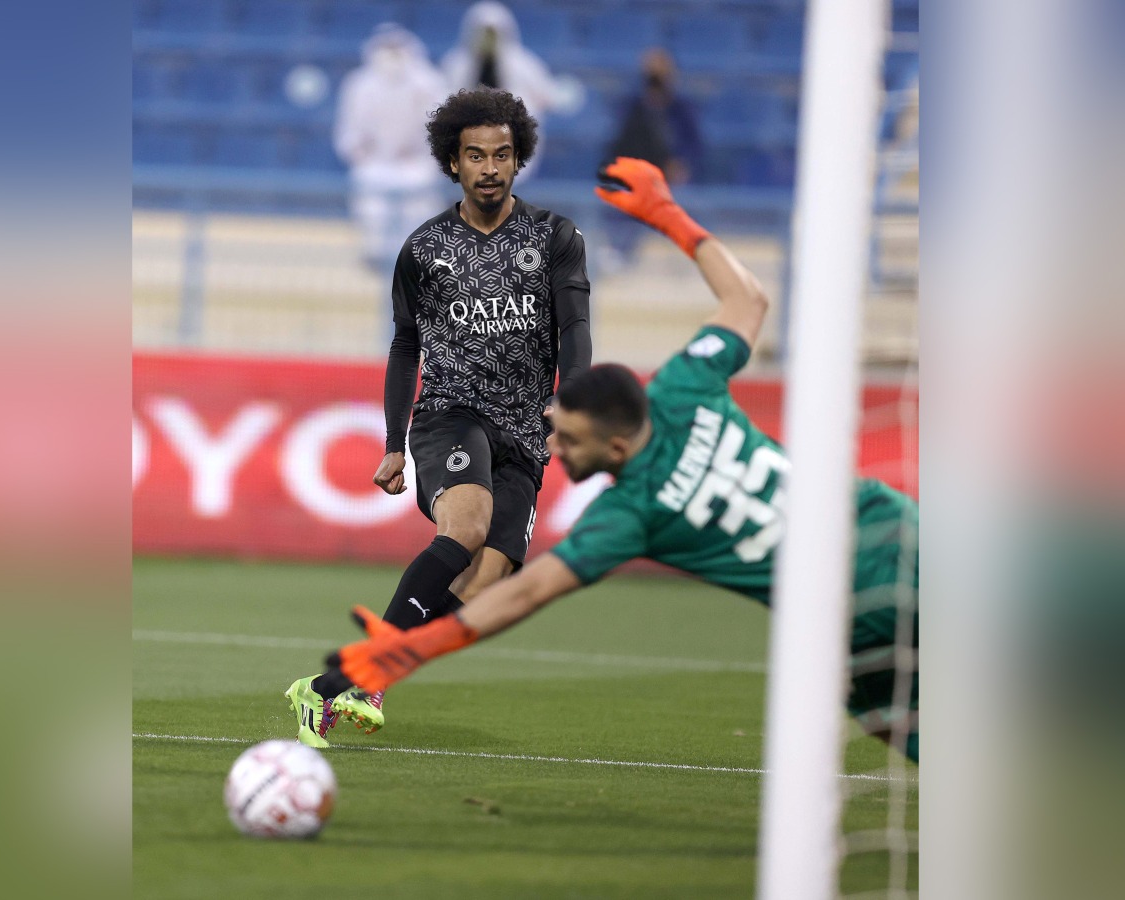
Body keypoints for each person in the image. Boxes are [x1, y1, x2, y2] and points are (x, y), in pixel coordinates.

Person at [325, 157, 920, 762]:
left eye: (569, 441)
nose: (553, 447)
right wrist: (668, 216)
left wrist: (412, 648)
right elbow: (748, 299)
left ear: (612, 449)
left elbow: (527, 595)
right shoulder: (682, 386)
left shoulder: (630, 513)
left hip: (852, 600)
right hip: (893, 525)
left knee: (890, 706)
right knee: (881, 705)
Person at [286, 89, 593, 748]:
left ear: (519, 160)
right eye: (475, 155)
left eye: (503, 155)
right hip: (449, 415)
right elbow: (405, 345)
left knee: (487, 580)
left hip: (526, 432)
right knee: (469, 524)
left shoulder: (556, 239)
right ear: (452, 163)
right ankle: (370, 679)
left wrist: (577, 411)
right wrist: (394, 441)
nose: (490, 167)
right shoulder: (425, 249)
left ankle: (327, 689)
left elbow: (576, 332)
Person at [333, 23, 449, 283]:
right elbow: (347, 132)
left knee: (419, 195)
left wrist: (420, 150)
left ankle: (419, 258)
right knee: (369, 186)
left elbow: (441, 131)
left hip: (415, 164)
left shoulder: (429, 82)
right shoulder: (359, 84)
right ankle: (377, 257)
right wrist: (362, 148)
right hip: (376, 163)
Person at [601, 49, 704, 271]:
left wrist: (681, 164)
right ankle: (619, 252)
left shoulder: (681, 109)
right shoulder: (634, 107)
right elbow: (620, 145)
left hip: (670, 177)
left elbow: (693, 145)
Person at [440, 2, 562, 182]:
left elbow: (547, 95)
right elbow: (442, 98)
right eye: (483, 33)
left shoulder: (524, 64)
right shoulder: (457, 63)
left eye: (492, 33)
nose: (487, 39)